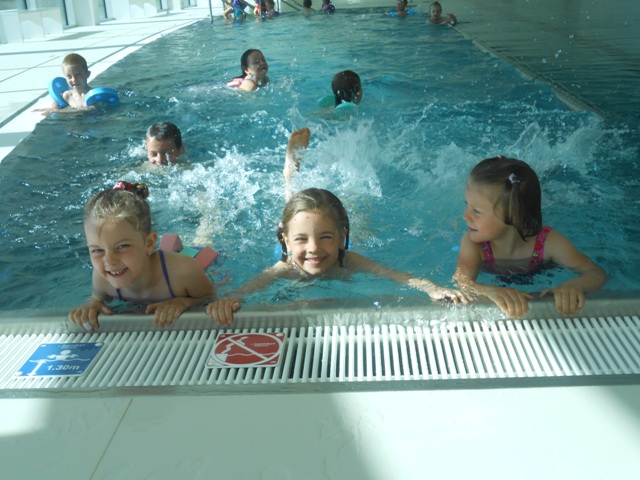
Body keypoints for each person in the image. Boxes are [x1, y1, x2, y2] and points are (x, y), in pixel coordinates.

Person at [207, 132, 470, 325]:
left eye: (325, 237)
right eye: (301, 240)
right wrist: (230, 300)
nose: (314, 249)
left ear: (342, 237)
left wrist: (432, 288)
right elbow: (244, 290)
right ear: (285, 242)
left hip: (334, 241)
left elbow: (397, 276)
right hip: (301, 239)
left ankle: (311, 205)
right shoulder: (285, 267)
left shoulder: (349, 260)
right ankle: (290, 174)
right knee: (295, 211)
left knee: (350, 226)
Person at [454, 156, 607, 318]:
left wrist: (575, 285)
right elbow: (462, 282)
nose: (465, 216)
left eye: (476, 211)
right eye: (466, 204)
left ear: (514, 216)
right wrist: (488, 291)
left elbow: (595, 272)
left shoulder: (550, 243)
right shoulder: (473, 245)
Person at [69, 181, 215, 330]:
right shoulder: (102, 278)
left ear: (149, 243)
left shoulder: (184, 271)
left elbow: (209, 296)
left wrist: (184, 302)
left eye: (122, 246)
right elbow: (96, 298)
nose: (109, 261)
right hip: (151, 259)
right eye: (97, 250)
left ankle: (209, 213)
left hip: (190, 259)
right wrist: (91, 306)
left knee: (203, 238)